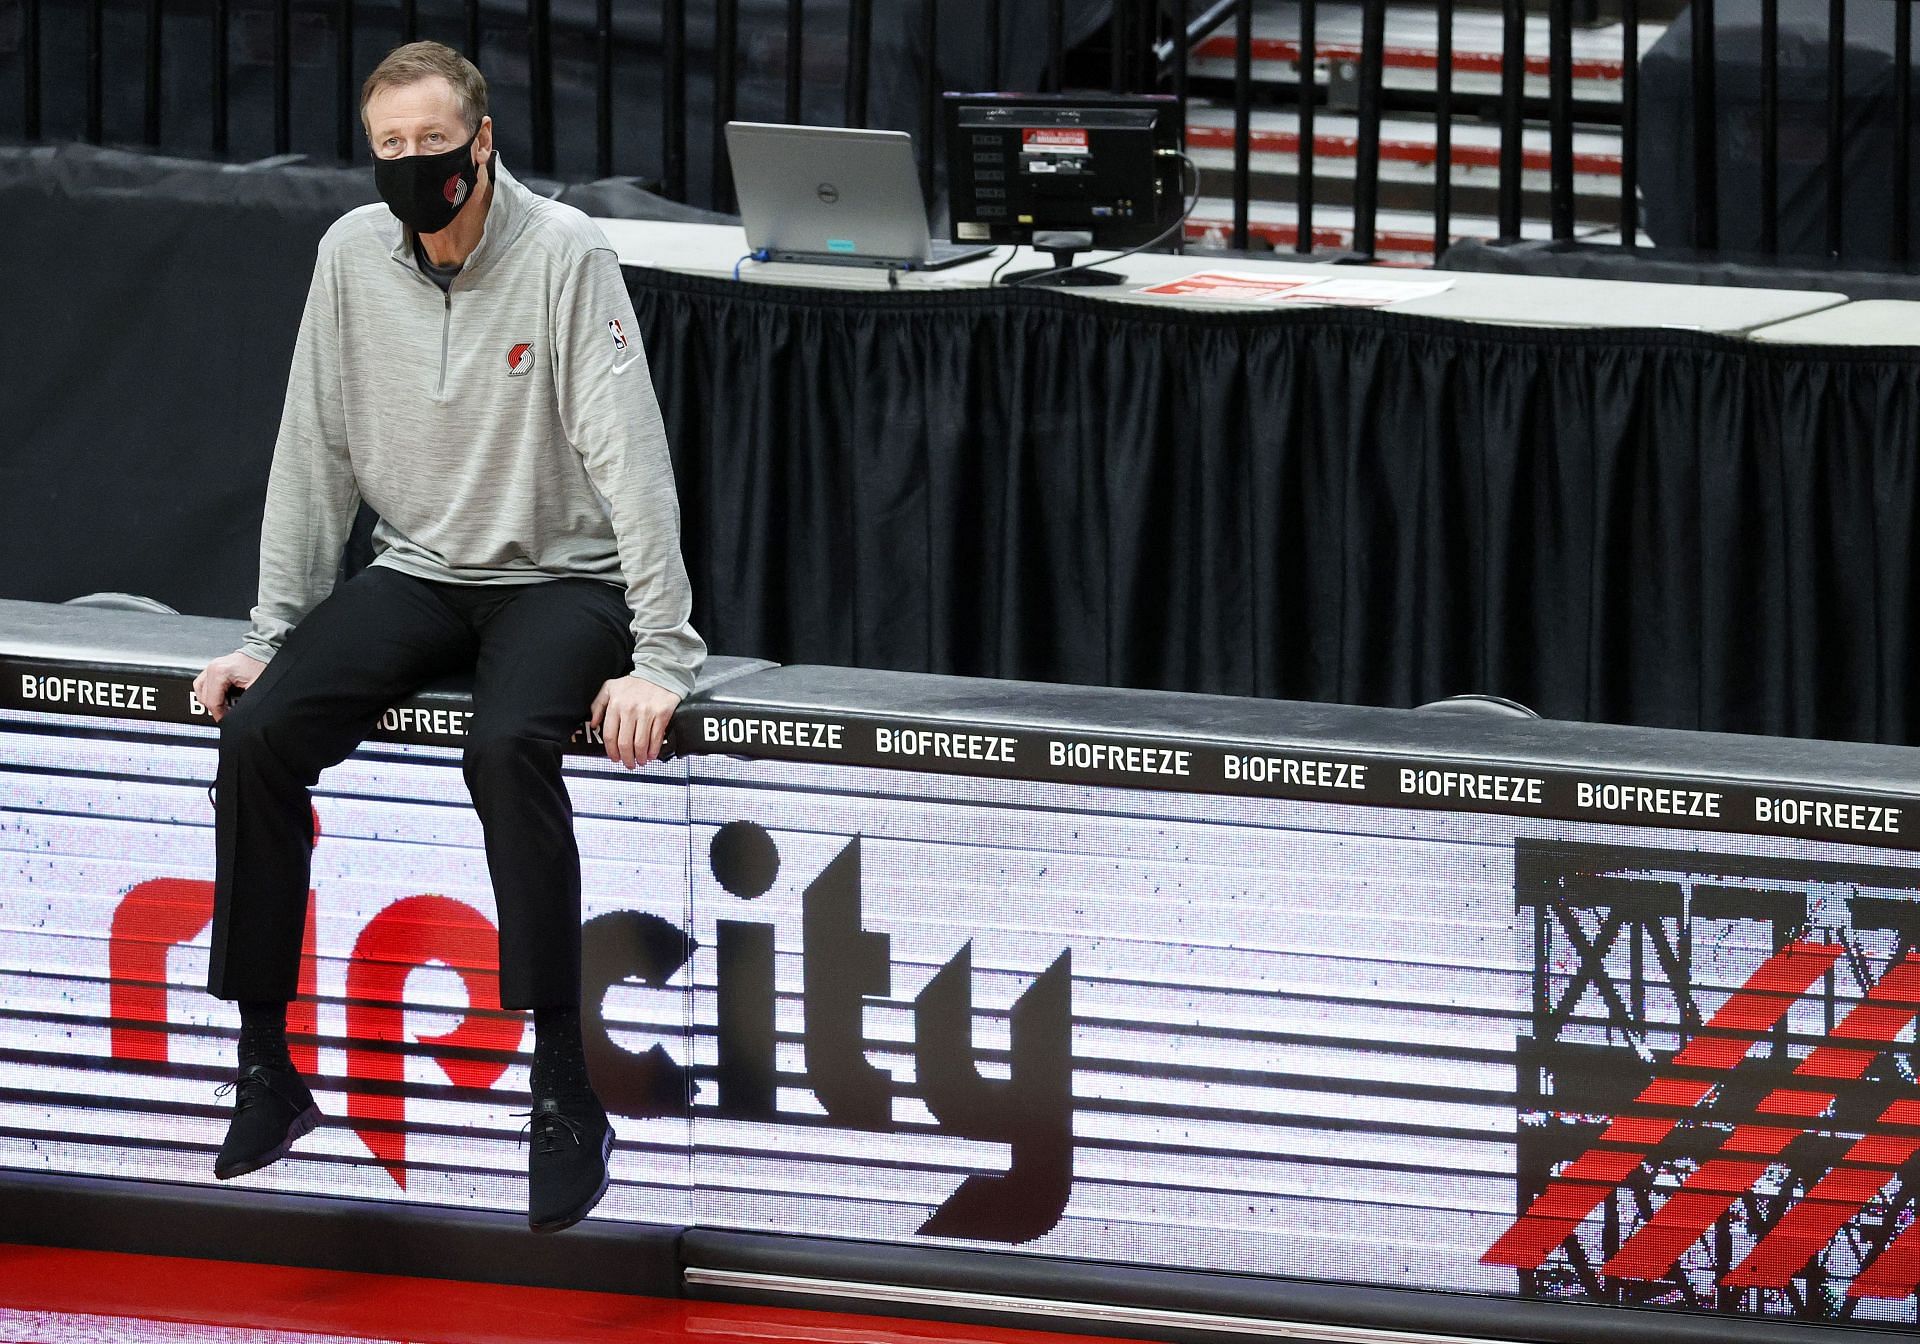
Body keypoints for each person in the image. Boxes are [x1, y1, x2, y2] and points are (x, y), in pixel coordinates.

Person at [189, 40, 703, 1234]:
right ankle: (268, 1068)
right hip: (419, 567)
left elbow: (637, 463)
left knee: (504, 743)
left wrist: (661, 656)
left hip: (562, 578)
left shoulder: (567, 253)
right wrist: (272, 634)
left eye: (434, 144)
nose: (414, 167)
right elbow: (310, 452)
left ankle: (567, 1089)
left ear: (484, 142)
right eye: (390, 149)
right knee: (259, 735)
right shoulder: (350, 257)